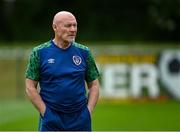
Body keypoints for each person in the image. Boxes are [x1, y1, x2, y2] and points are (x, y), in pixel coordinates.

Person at [25, 11, 100, 131]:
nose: (73, 29)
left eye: (75, 25)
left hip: (80, 119)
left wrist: (88, 112)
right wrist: (45, 112)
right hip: (51, 119)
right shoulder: (39, 52)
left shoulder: (84, 52)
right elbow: (30, 86)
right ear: (55, 27)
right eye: (68, 25)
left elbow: (94, 85)